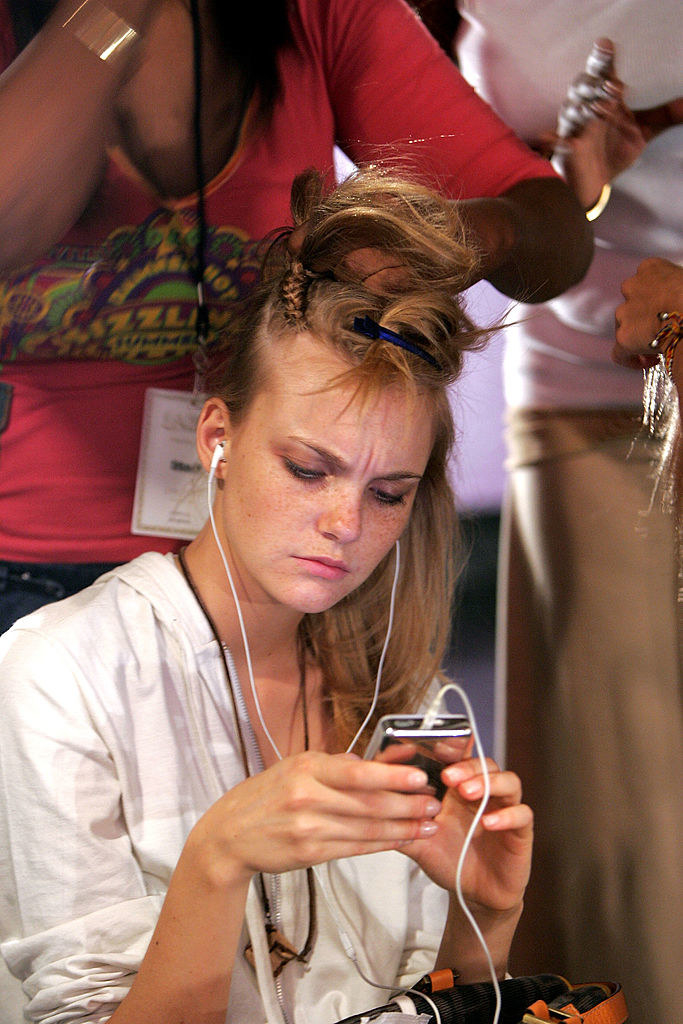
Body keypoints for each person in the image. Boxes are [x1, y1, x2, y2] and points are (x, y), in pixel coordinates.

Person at [0, 167, 534, 1023]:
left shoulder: (407, 703)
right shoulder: (63, 672)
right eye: (307, 468)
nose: (343, 522)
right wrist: (217, 859)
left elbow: (435, 1004)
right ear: (218, 438)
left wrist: (487, 922)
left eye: (387, 492)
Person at [0, 0, 593, 633]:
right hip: (23, 578)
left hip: (275, 574)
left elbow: (555, 238)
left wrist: (457, 235)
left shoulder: (319, 16)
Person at [454, 5, 683, 1021]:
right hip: (586, 393)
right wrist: (566, 197)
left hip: (652, 335)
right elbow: (430, 212)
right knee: (623, 833)